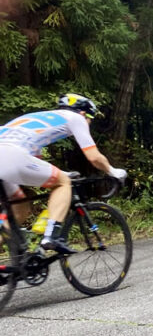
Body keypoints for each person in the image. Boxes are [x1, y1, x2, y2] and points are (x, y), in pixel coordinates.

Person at [0, 93, 127, 254]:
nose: (88, 124)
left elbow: (36, 162)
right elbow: (93, 157)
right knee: (63, 183)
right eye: (90, 120)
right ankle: (51, 237)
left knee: (20, 207)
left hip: (7, 153)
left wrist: (62, 173)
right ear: (83, 113)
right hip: (11, 155)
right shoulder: (76, 118)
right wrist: (113, 171)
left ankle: (15, 266)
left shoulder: (36, 118)